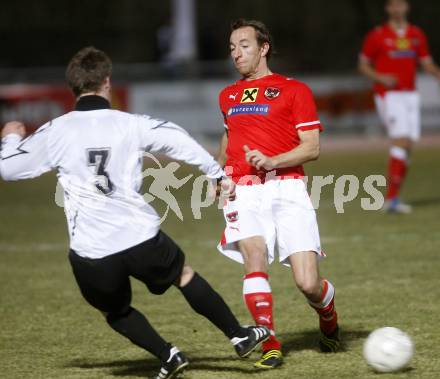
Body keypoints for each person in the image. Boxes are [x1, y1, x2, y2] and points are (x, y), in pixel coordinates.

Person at [0, 46, 270, 379]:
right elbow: (176, 139)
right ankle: (238, 335)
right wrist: (215, 173)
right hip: (139, 235)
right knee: (183, 276)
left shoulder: (55, 131)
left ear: (73, 87)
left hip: (92, 250)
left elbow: (8, 169)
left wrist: (11, 139)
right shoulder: (129, 123)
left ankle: (167, 354)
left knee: (113, 310)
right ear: (107, 82)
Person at [216, 19, 340, 369]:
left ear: (263, 47)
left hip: (287, 188)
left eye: (243, 45)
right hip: (244, 191)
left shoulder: (294, 90)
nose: (236, 53)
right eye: (231, 48)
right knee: (254, 260)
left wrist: (272, 159)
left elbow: (311, 147)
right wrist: (219, 174)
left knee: (308, 283)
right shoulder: (227, 95)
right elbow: (229, 139)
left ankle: (328, 315)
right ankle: (269, 341)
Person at [359, 0, 440, 213]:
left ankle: (394, 197)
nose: (397, 9)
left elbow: (426, 62)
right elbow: (363, 65)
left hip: (410, 94)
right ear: (387, 9)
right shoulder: (377, 35)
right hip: (389, 95)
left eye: (400, 5)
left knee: (408, 144)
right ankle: (391, 200)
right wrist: (381, 77)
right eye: (393, 5)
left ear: (406, 7)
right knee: (401, 140)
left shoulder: (416, 34)